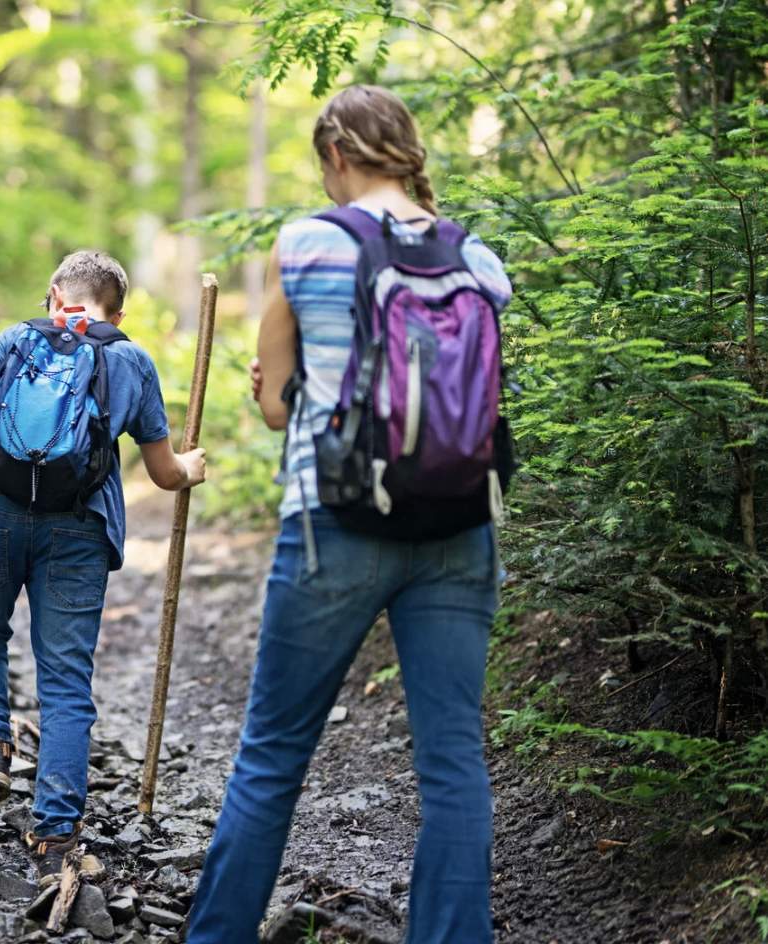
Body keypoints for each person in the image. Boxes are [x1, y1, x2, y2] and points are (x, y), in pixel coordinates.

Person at [187, 85, 513, 942]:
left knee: (271, 758)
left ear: (336, 156)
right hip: (459, 526)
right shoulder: (476, 258)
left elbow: (276, 408)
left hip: (333, 524)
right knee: (452, 766)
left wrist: (277, 381)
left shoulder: (305, 243)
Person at [0, 250, 208, 884]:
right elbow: (164, 472)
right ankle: (55, 836)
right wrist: (192, 468)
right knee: (64, 679)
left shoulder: (13, 339)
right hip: (80, 527)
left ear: (55, 294)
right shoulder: (132, 360)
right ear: (119, 309)